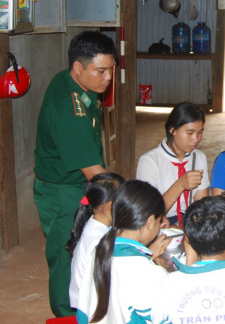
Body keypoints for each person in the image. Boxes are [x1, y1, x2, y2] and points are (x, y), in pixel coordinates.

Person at [34, 31, 118, 317]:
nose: (108, 78)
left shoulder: (78, 84)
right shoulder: (68, 109)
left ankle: (86, 301)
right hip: (61, 191)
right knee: (65, 254)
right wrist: (132, 197)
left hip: (77, 182)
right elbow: (96, 174)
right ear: (79, 67)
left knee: (84, 248)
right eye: (101, 71)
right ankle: (66, 315)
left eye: (111, 69)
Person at [76, 180, 171, 324]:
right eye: (159, 222)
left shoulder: (98, 252)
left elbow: (82, 314)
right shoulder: (149, 272)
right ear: (150, 222)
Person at [136, 102, 210, 222]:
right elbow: (148, 213)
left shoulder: (199, 158)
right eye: (190, 133)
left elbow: (201, 204)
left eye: (200, 132)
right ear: (172, 130)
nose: (195, 139)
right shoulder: (149, 162)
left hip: (191, 220)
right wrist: (180, 184)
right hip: (160, 222)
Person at [67, 172, 124, 309]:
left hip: (87, 301)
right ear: (108, 206)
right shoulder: (99, 240)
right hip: (92, 308)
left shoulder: (93, 223)